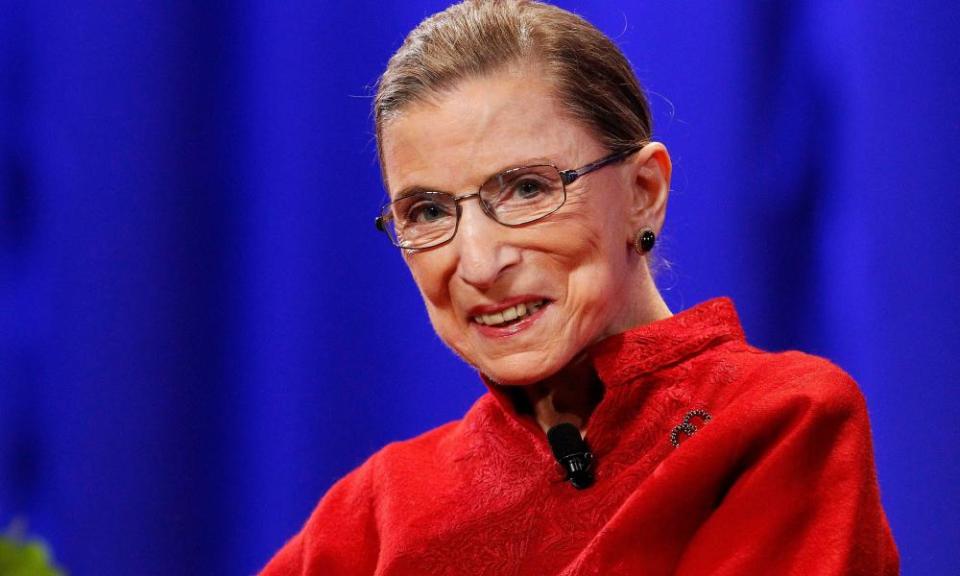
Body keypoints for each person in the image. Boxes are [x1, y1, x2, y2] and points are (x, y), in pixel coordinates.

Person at [260, 1, 898, 574]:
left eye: (528, 189)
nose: (478, 263)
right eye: (427, 212)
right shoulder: (372, 513)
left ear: (643, 194)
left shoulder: (779, 421)